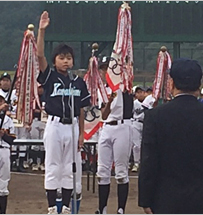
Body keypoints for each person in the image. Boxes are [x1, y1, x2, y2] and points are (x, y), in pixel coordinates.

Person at [138, 58, 203, 214]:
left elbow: (149, 161)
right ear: (199, 85)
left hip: (166, 199)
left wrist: (146, 199)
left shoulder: (155, 116)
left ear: (171, 83)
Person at [37, 11, 90, 214]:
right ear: (55, 60)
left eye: (68, 58)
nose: (65, 61)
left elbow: (82, 109)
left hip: (73, 126)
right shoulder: (50, 76)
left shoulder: (78, 82)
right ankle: (52, 207)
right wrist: (42, 30)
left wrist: (82, 134)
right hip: (55, 124)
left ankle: (66, 206)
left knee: (70, 168)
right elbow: (40, 55)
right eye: (61, 58)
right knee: (53, 165)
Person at [95, 57, 134, 214]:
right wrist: (109, 102)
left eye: (108, 68)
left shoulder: (124, 87)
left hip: (122, 126)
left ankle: (120, 209)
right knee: (102, 170)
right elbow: (103, 115)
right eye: (103, 69)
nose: (106, 72)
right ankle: (102, 208)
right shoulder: (103, 89)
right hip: (107, 127)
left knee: (120, 171)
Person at [131, 86, 146, 172]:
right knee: (136, 145)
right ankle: (136, 163)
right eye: (138, 92)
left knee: (145, 145)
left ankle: (144, 163)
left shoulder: (149, 102)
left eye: (141, 92)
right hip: (136, 123)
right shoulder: (134, 103)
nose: (140, 94)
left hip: (146, 124)